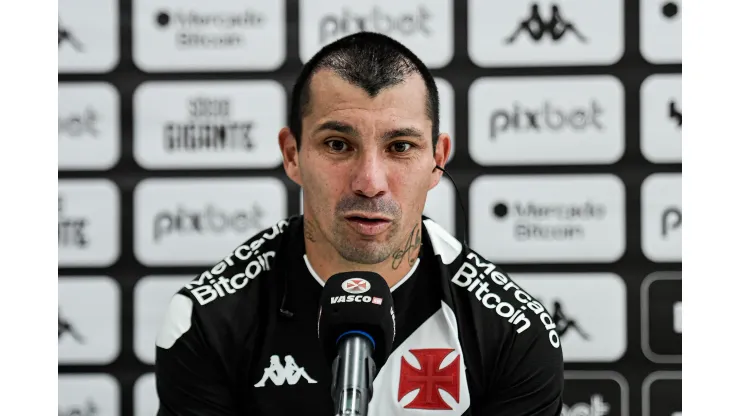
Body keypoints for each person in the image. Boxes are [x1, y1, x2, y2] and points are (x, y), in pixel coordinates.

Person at [154, 31, 564, 416]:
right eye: (338, 144)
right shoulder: (208, 320)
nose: (370, 182)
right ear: (293, 154)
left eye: (400, 147)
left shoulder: (512, 333)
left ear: (437, 160)